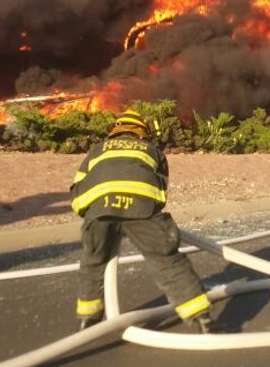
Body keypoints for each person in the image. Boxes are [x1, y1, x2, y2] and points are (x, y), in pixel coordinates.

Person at [69, 108, 219, 333]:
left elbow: (77, 188)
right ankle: (201, 317)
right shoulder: (152, 151)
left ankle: (88, 320)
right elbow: (161, 190)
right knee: (167, 261)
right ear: (141, 132)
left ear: (115, 132)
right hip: (141, 211)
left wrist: (89, 213)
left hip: (99, 212)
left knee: (93, 262)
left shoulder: (96, 150)